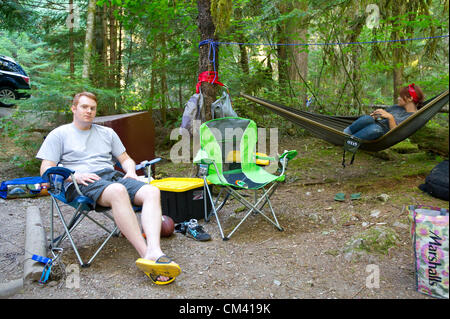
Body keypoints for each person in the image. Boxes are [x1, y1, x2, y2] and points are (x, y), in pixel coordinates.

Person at [36, 91, 181, 285]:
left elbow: (125, 159)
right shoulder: (59, 134)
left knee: (151, 191)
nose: (89, 111)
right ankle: (145, 255)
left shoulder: (107, 133)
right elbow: (45, 168)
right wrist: (73, 175)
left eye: (92, 108)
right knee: (118, 191)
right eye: (84, 107)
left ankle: (155, 250)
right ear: (73, 108)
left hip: (111, 177)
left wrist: (129, 171)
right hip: (81, 182)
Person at [343, 83, 424, 140]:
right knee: (367, 118)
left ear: (410, 99)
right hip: (373, 124)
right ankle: (344, 134)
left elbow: (397, 134)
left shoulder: (413, 117)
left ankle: (350, 140)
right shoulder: (396, 107)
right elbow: (382, 115)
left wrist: (390, 117)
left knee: (375, 129)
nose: (398, 98)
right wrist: (376, 115)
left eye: (401, 96)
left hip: (381, 133)